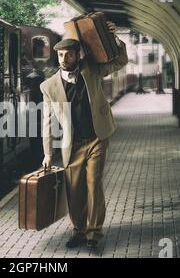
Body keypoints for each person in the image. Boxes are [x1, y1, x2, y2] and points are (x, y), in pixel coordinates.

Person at [40, 20, 128, 249]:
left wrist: (114, 40)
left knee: (93, 183)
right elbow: (47, 122)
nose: (64, 59)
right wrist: (47, 153)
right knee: (74, 189)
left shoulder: (93, 70)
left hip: (98, 137)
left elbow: (120, 61)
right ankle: (78, 230)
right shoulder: (48, 87)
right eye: (60, 55)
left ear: (78, 56)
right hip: (73, 144)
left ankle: (94, 233)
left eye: (68, 55)